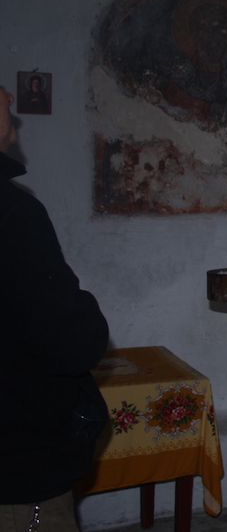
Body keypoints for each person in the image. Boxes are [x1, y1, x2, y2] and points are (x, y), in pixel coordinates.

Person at [0, 86, 109, 531]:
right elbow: (71, 343)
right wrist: (85, 312)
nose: (8, 97)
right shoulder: (13, 213)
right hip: (15, 469)